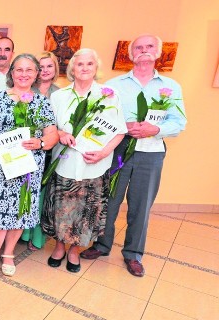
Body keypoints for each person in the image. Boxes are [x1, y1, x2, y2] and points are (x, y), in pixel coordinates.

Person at [80, 34, 187, 277]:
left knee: (141, 205)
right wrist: (121, 126)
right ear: (130, 54)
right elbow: (102, 117)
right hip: (119, 150)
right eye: (138, 47)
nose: (144, 50)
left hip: (151, 153)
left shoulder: (171, 87)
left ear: (158, 52)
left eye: (149, 46)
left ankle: (133, 254)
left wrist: (156, 129)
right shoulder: (115, 85)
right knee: (110, 200)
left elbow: (179, 122)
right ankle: (102, 244)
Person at [41, 49, 127, 273]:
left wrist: (103, 153)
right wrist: (60, 134)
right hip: (65, 163)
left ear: (96, 68)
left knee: (86, 214)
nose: (85, 68)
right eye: (80, 64)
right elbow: (50, 128)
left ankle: (74, 251)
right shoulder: (59, 96)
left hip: (94, 165)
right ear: (72, 69)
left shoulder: (109, 95)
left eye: (90, 64)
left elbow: (119, 131)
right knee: (61, 209)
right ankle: (59, 247)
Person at [0, 53, 58, 282]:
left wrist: (41, 143)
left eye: (29, 70)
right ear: (12, 73)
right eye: (19, 70)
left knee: (21, 213)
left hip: (29, 171)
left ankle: (9, 253)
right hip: (0, 169)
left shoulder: (42, 102)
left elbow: (52, 134)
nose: (24, 74)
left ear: (36, 74)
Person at [21, 51, 60, 251]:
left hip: (49, 150)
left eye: (49, 66)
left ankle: (36, 235)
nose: (45, 70)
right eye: (41, 66)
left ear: (56, 69)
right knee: (25, 189)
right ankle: (23, 231)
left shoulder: (60, 93)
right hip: (26, 149)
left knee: (42, 194)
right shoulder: (26, 90)